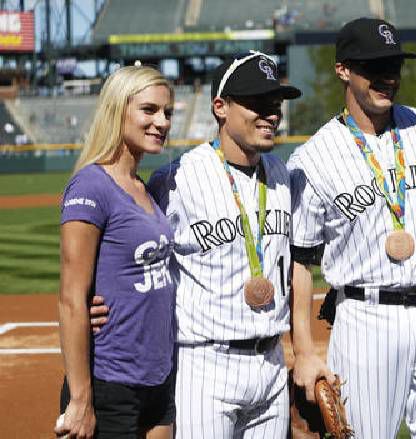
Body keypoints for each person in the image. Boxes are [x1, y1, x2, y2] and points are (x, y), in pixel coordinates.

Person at [288, 18, 416, 439]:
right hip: (368, 318)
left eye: (394, 65)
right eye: (374, 66)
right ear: (343, 70)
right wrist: (304, 350)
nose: (388, 77)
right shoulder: (312, 159)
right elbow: (299, 262)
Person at [146, 52, 302, 438]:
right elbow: (138, 259)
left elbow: (297, 262)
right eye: (256, 103)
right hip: (206, 363)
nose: (270, 114)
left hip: (271, 361)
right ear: (220, 107)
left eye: (275, 104)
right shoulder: (177, 179)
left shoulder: (282, 175)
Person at [56, 66, 175, 439]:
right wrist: (80, 400)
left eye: (167, 113)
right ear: (117, 109)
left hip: (158, 377)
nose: (162, 122)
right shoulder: (91, 184)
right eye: (149, 110)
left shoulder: (143, 186)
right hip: (110, 381)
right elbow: (72, 297)